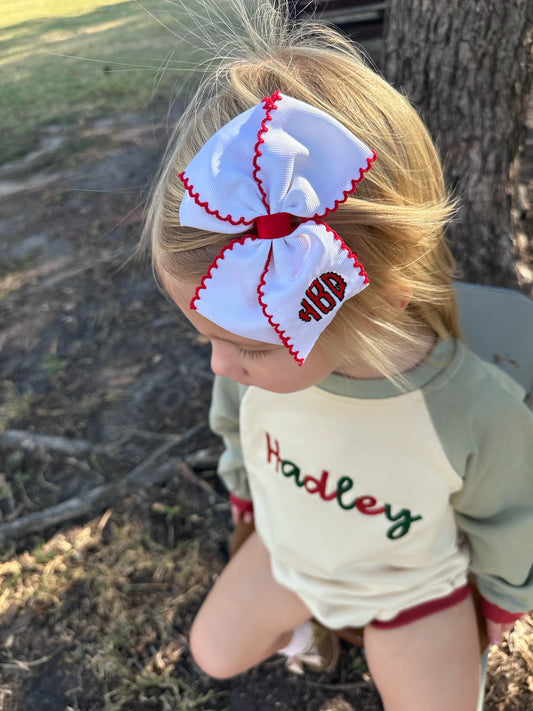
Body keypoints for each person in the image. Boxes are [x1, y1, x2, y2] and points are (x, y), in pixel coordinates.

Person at [140, 3, 533, 709]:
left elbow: (509, 519)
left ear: (379, 298)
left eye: (246, 345)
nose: (219, 366)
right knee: (213, 651)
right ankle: (312, 630)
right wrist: (243, 500)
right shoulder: (250, 367)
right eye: (208, 338)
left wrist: (498, 609)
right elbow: (237, 430)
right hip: (288, 552)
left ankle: (359, 631)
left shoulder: (471, 407)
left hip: (408, 589)